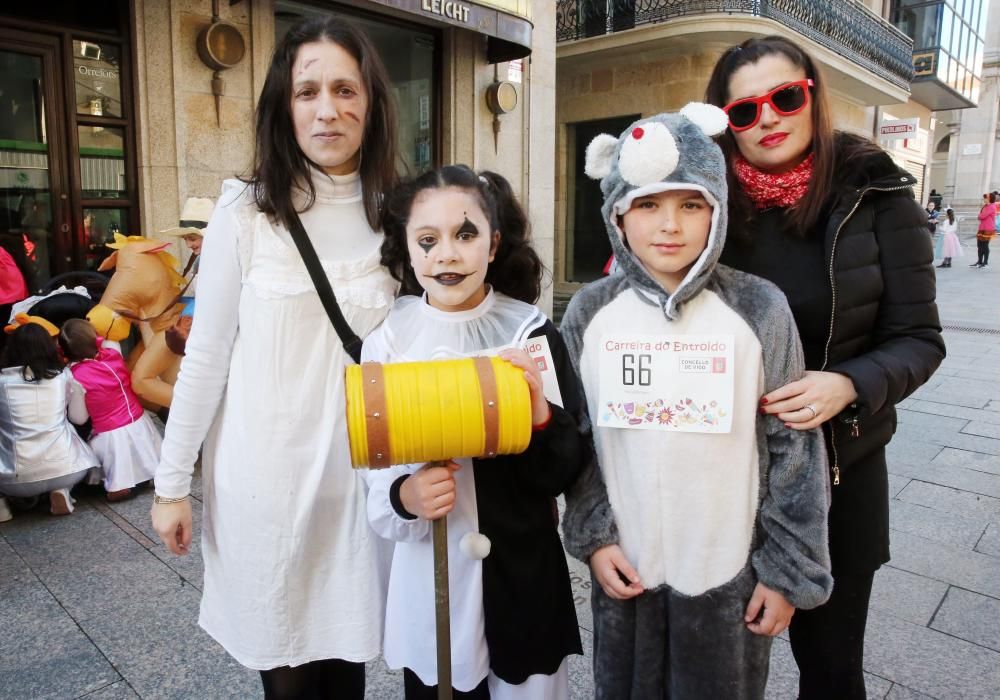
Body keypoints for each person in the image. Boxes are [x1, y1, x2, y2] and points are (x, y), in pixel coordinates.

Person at [149, 15, 400, 699]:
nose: (328, 109)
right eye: (307, 90)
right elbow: (206, 356)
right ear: (282, 107)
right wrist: (171, 485)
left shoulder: (399, 215)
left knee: (348, 667)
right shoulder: (246, 213)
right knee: (286, 676)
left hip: (360, 489)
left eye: (346, 90)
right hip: (266, 489)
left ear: (371, 102)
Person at [560, 105, 833, 698]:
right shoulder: (587, 313)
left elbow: (794, 448)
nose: (670, 225)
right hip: (626, 568)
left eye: (690, 204)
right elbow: (577, 438)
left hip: (727, 571)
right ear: (617, 216)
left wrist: (787, 571)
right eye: (648, 205)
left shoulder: (759, 307)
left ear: (717, 209)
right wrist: (594, 536)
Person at [705, 36, 945, 699]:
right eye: (744, 111)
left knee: (831, 670)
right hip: (720, 480)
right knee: (710, 668)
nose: (769, 120)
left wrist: (848, 384)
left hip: (840, 471)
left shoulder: (877, 193)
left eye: (784, 97)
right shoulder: (705, 203)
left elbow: (919, 339)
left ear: (812, 94)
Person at [365, 166, 585, 699]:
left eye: (465, 234)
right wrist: (405, 497)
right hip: (432, 576)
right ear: (407, 249)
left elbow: (566, 465)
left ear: (492, 245)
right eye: (427, 240)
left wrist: (537, 415)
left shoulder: (529, 333)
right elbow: (372, 478)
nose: (447, 254)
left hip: (523, 575)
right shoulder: (389, 342)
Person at [0, 321, 98, 522]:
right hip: (69, 470)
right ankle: (62, 489)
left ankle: (3, 502)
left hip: (13, 479)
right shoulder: (63, 376)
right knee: (66, 429)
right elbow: (79, 418)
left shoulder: (2, 382)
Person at [59, 319, 162, 501]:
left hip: (109, 435)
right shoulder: (113, 353)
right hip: (140, 423)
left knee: (95, 443)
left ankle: (121, 483)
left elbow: (79, 418)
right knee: (147, 450)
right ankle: (152, 474)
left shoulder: (73, 376)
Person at [161, 197, 215, 295]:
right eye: (185, 239)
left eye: (192, 239)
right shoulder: (199, 260)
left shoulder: (224, 261)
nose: (188, 245)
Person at [973, 192, 996, 268]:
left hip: (988, 228)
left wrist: (980, 216)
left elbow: (982, 216)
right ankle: (979, 262)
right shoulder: (985, 206)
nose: (984, 199)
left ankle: (985, 263)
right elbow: (980, 215)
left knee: (985, 245)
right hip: (982, 227)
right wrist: (980, 216)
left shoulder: (992, 206)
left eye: (985, 198)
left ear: (989, 198)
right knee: (979, 245)